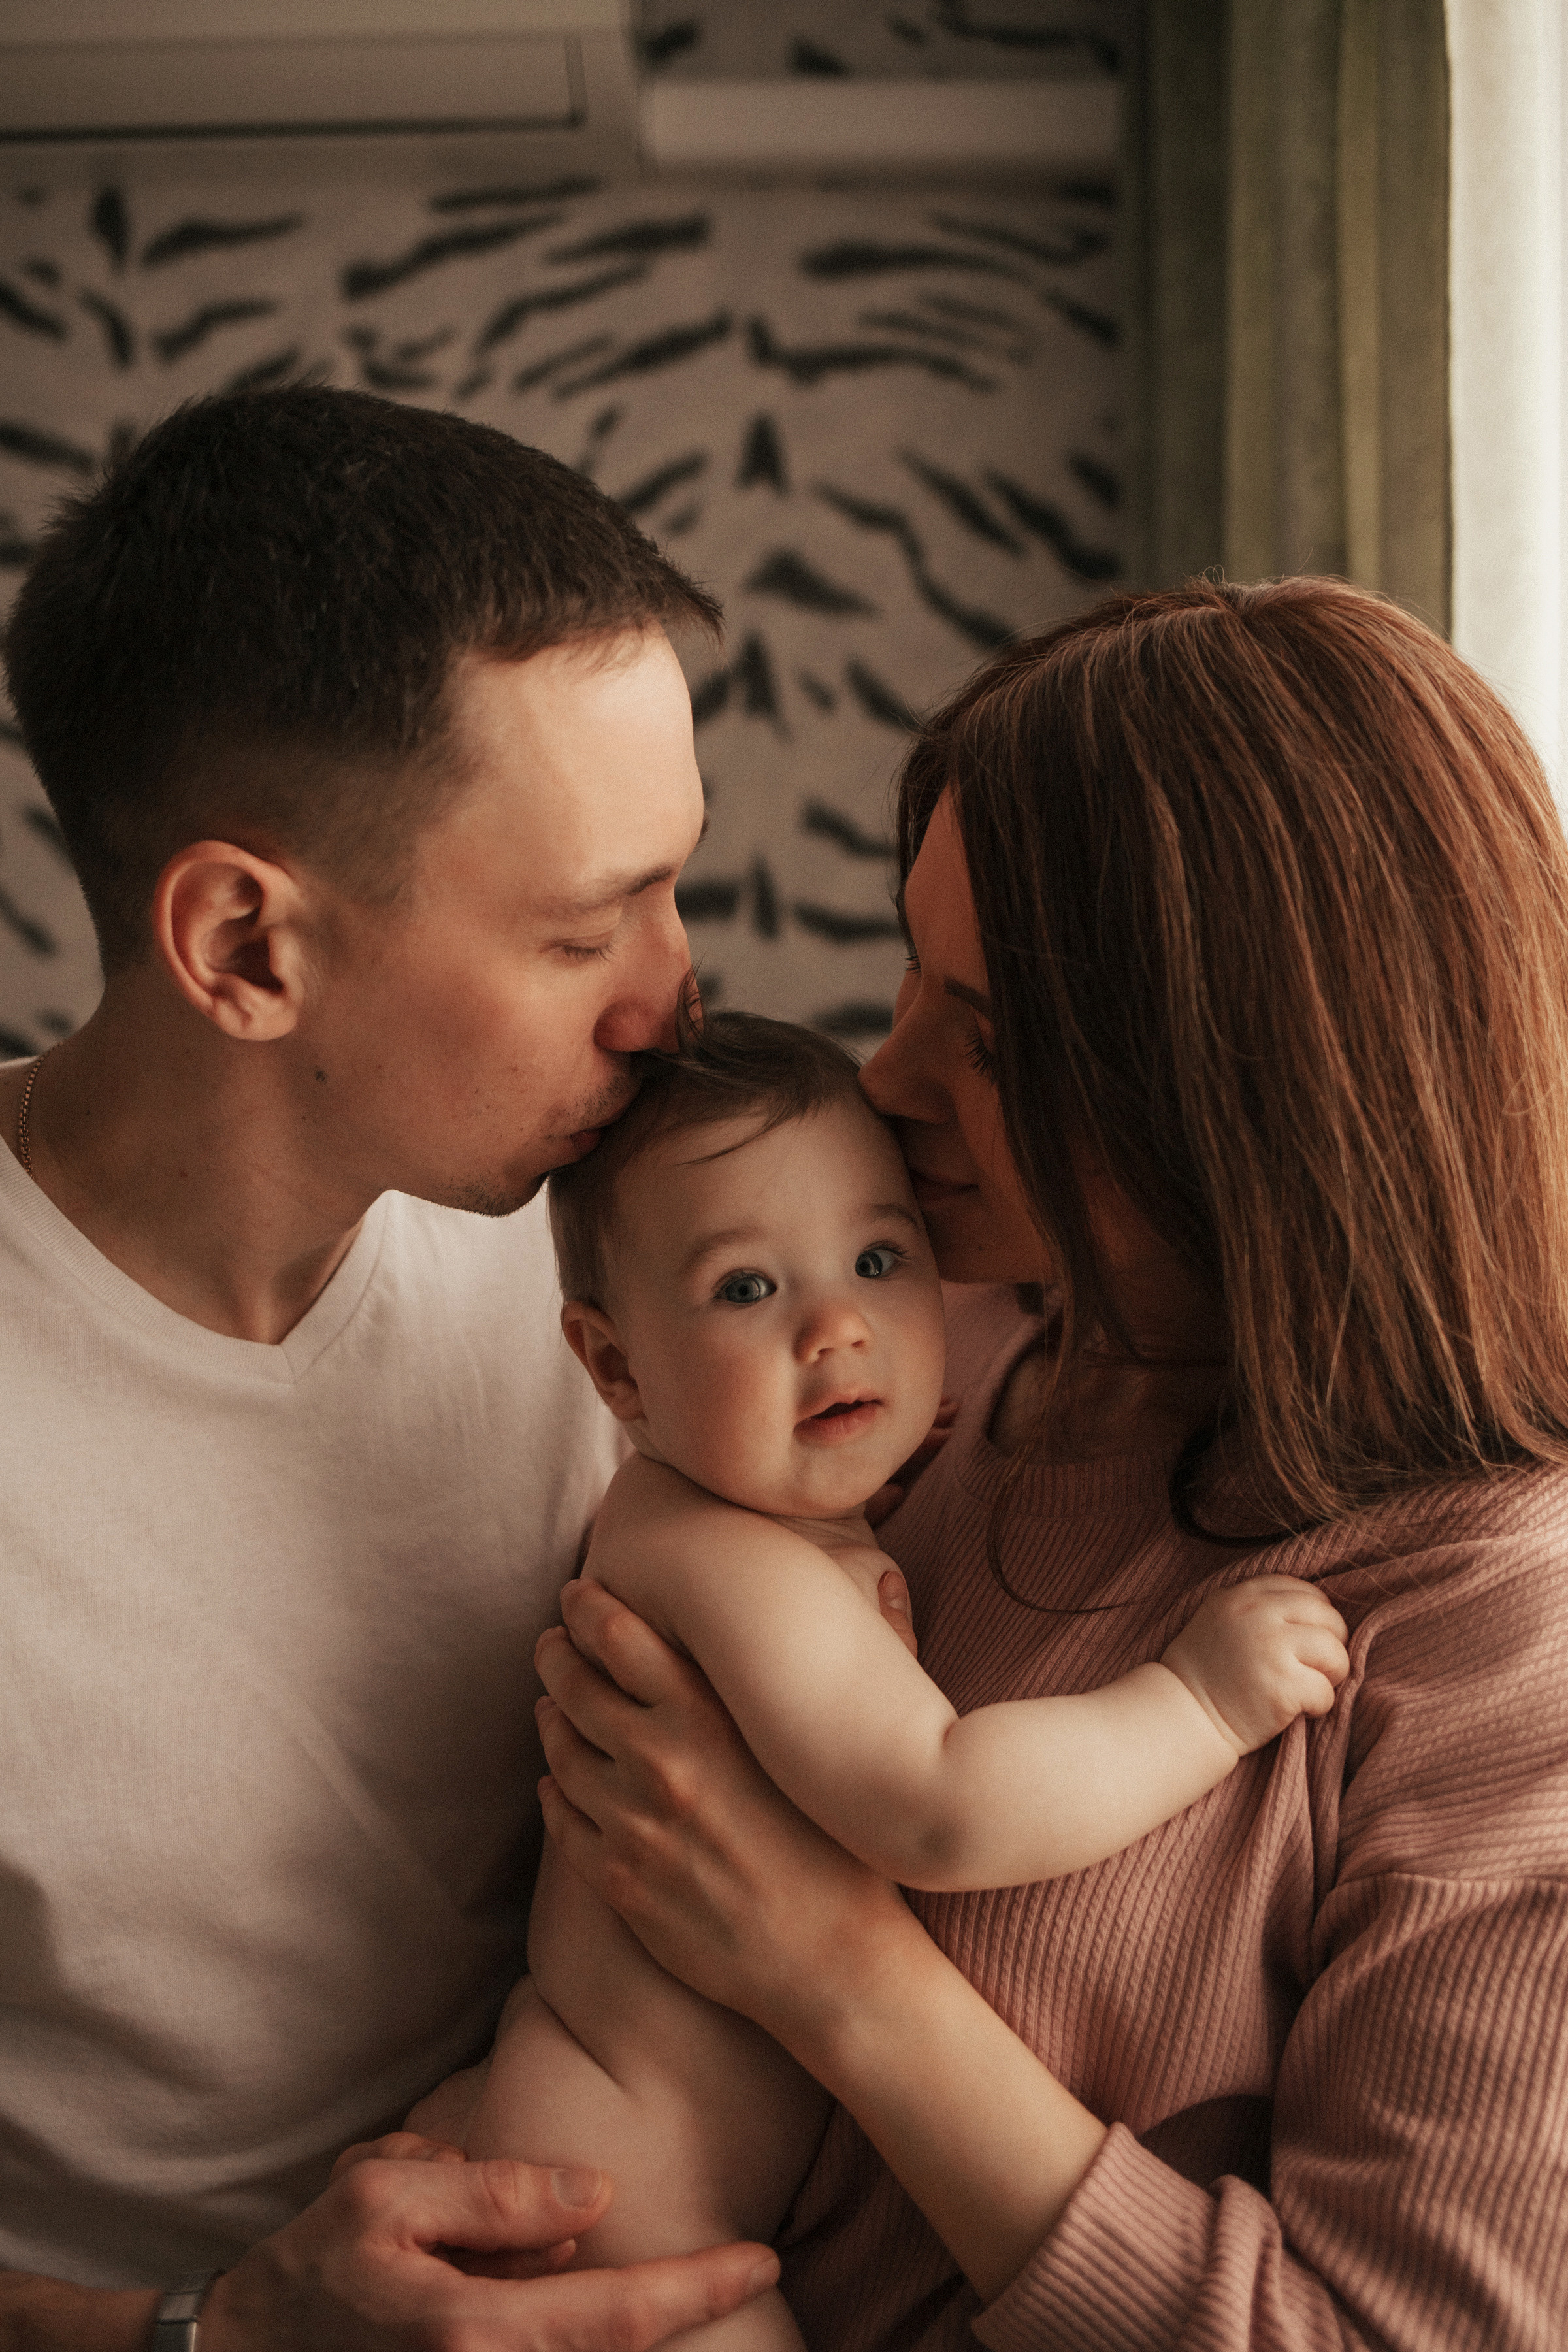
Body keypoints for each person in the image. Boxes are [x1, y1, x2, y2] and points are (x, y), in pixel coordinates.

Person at [527, 579, 1568, 2352]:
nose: (893, 1075)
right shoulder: (941, 1372)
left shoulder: (1498, 1633)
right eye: (914, 973)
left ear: (1249, 1098)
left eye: (995, 1040)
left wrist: (844, 1979)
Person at [0, 386, 787, 2348]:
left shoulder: (619, 1243)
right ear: (247, 949)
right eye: (584, 927)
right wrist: (217, 2334)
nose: (673, 997)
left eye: (674, 885)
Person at [418, 1009, 1347, 2350]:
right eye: (749, 1289)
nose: (838, 1330)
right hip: (632, 2229)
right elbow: (940, 1807)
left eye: (877, 1257)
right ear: (616, 1365)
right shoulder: (718, 1556)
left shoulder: (776, 1519)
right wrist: (1197, 1704)